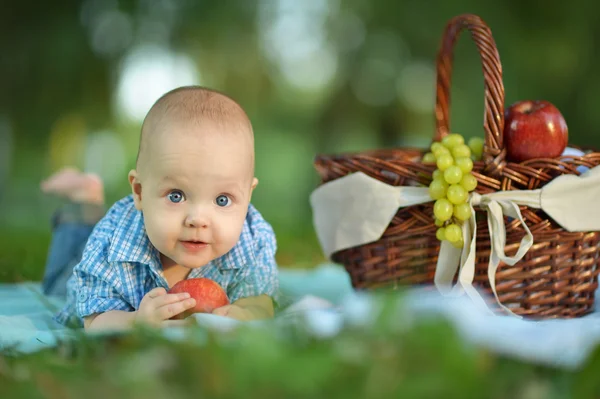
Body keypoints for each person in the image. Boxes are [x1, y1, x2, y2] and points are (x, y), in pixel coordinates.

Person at [41, 86, 279, 331]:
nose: (198, 219)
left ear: (248, 195)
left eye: (222, 200)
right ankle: (85, 199)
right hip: (82, 268)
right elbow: (95, 322)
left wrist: (245, 314)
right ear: (140, 192)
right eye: (176, 196)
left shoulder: (252, 239)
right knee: (56, 283)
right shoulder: (110, 245)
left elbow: (260, 302)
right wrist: (136, 321)